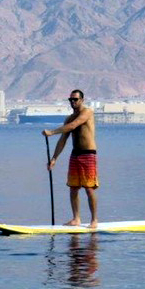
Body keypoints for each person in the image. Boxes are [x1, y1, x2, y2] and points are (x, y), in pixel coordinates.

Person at [42, 89, 98, 228]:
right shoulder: (68, 118)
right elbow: (63, 139)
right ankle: (76, 219)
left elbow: (73, 125)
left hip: (88, 154)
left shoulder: (87, 112)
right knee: (73, 188)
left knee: (89, 188)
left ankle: (94, 221)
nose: (73, 102)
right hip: (75, 154)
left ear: (82, 100)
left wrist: (51, 132)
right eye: (70, 100)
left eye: (75, 99)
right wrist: (54, 158)